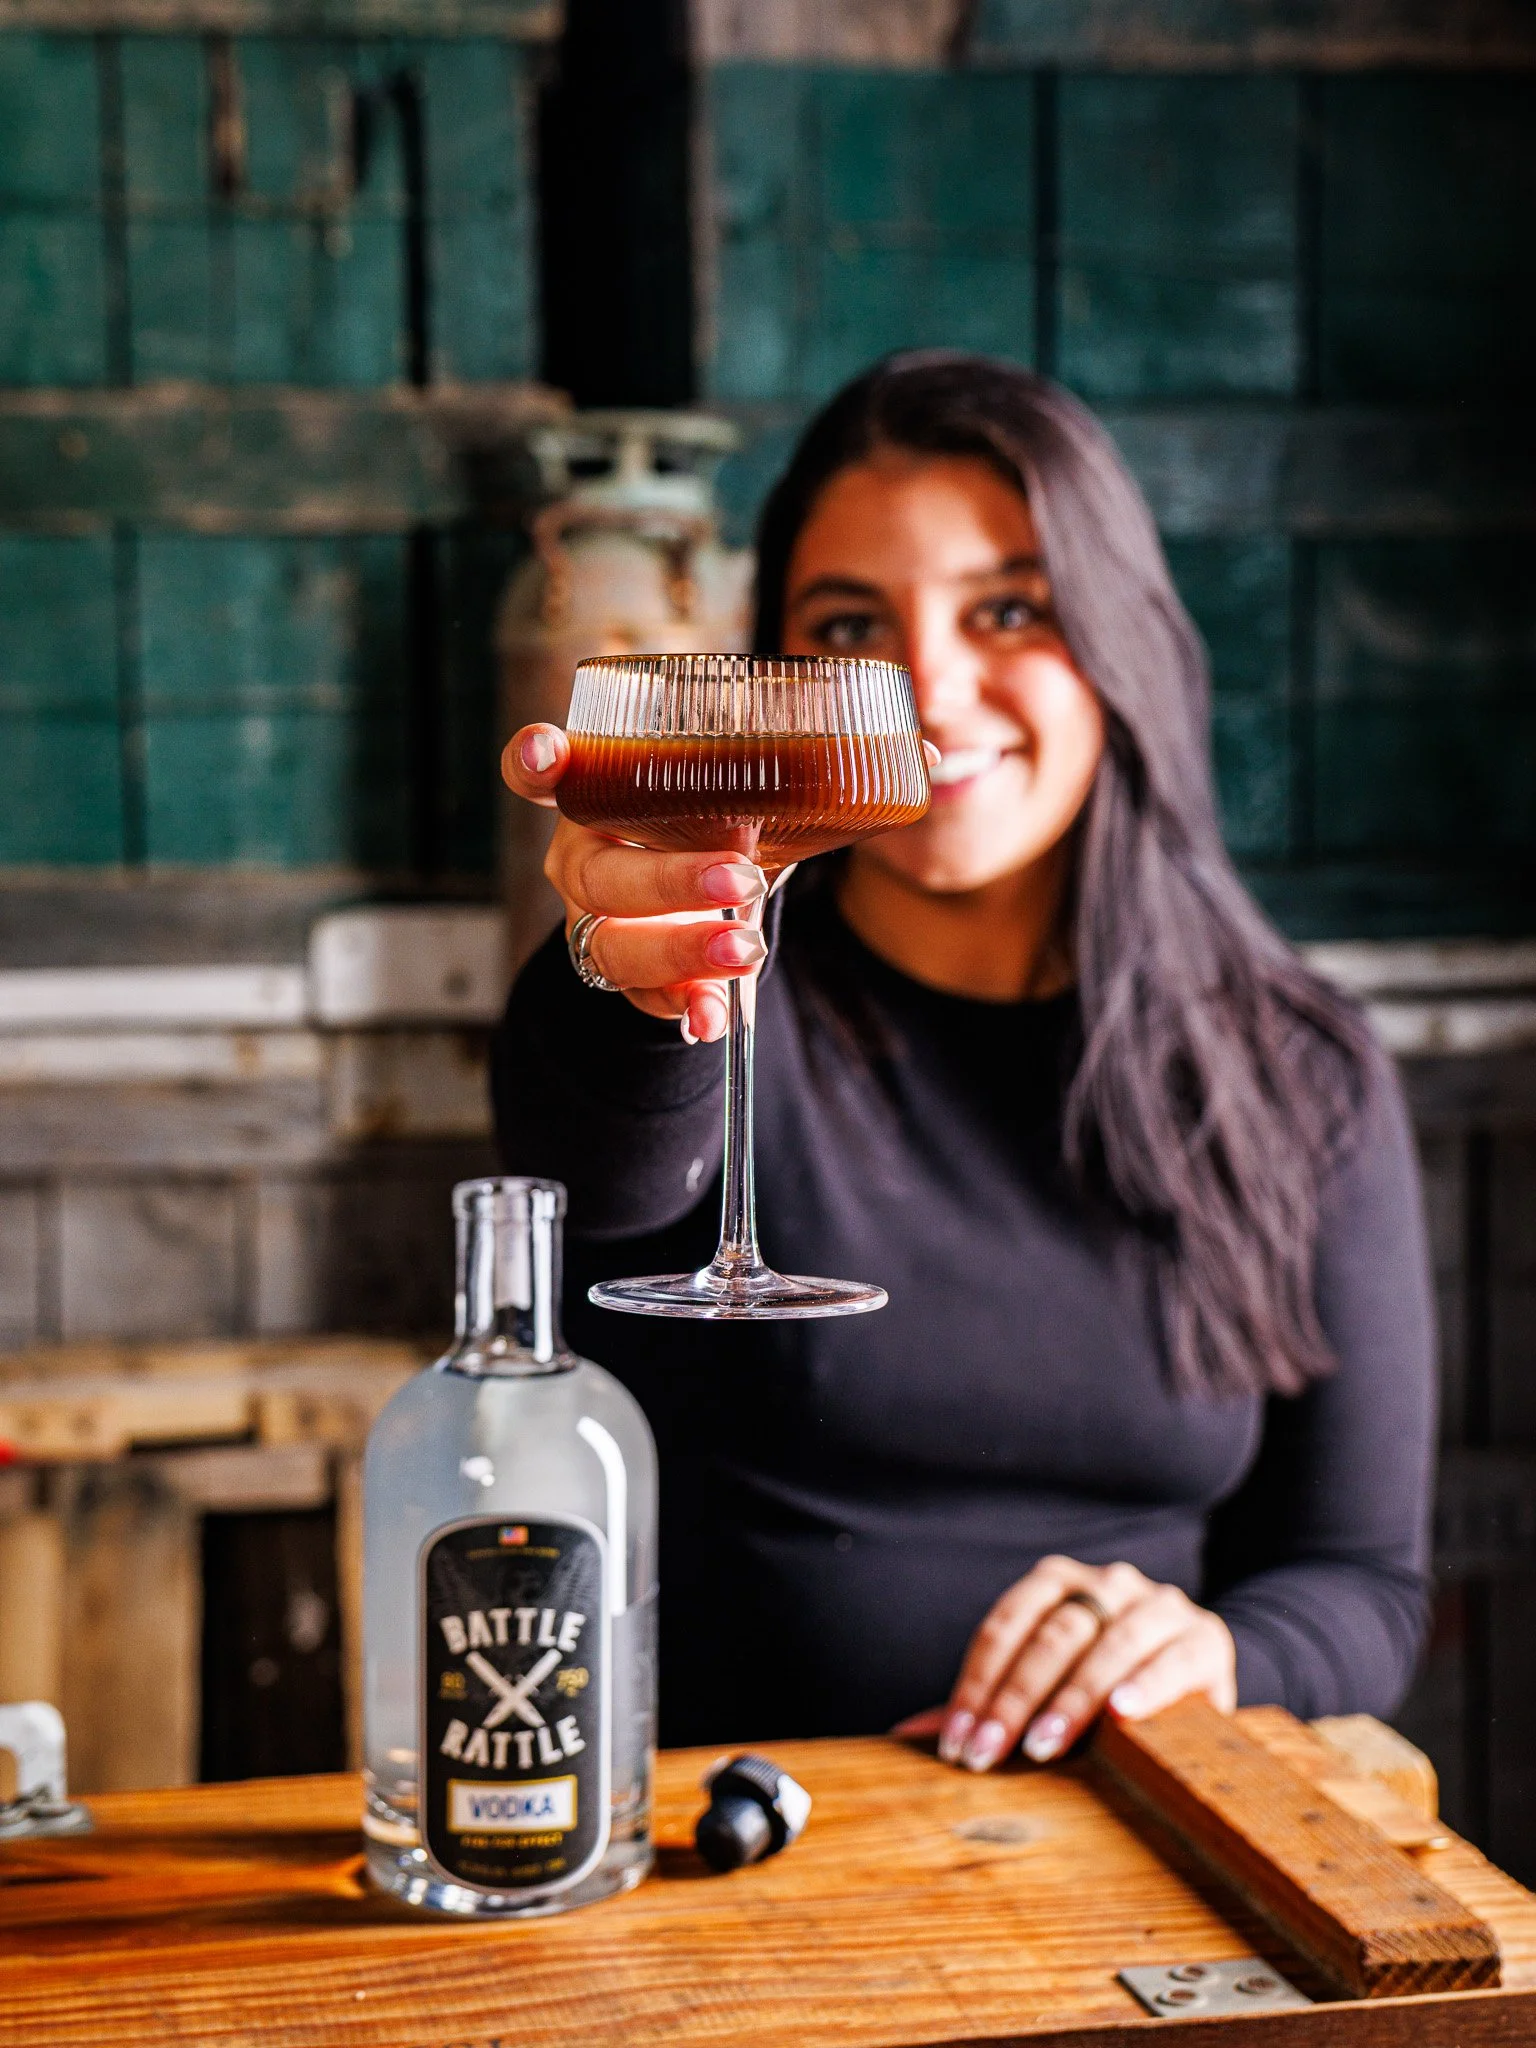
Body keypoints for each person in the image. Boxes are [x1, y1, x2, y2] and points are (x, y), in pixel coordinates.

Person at [493, 353, 1435, 1770]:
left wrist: (1212, 1649)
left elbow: (1363, 1581)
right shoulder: (738, 1005)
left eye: (1008, 609)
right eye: (849, 623)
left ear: (1122, 642)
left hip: (1134, 1869)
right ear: (782, 676)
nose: (927, 685)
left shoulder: (1300, 1071)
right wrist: (622, 965)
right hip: (732, 1865)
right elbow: (597, 1170)